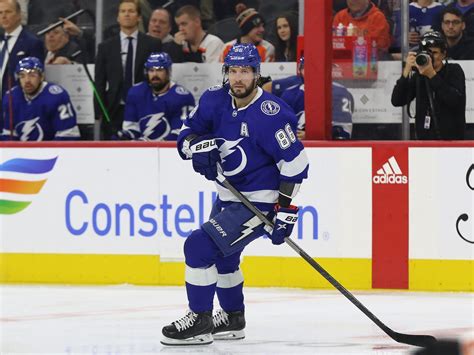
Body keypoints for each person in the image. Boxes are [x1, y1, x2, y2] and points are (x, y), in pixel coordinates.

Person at [161, 43, 309, 346]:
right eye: (233, 71)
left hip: (260, 201)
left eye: (245, 71)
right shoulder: (214, 100)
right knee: (224, 259)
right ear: (225, 72)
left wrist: (284, 209)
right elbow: (186, 135)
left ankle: (199, 320)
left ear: (257, 74)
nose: (238, 78)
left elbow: (296, 165)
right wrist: (197, 149)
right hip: (229, 196)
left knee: (198, 247)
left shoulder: (273, 114)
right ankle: (231, 318)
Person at [95, 0, 162, 140]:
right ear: (118, 17)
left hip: (144, 106)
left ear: (138, 17)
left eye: (131, 11)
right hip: (114, 109)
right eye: (123, 11)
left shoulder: (152, 44)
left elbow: (159, 76)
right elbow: (99, 81)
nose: (126, 14)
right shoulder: (105, 47)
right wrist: (98, 111)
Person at [391, 31, 466, 140]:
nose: (430, 57)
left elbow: (454, 100)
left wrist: (432, 75)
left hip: (451, 141)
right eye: (426, 52)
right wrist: (405, 73)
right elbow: (397, 101)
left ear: (443, 54)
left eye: (434, 53)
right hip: (423, 141)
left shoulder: (454, 70)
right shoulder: (419, 76)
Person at [116, 52, 195, 141]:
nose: (155, 74)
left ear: (168, 71)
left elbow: (180, 132)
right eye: (151, 70)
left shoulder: (182, 97)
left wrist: (152, 145)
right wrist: (125, 136)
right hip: (142, 150)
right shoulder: (136, 93)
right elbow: (132, 128)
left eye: (159, 70)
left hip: (170, 151)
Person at [0, 56, 80, 141]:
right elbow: (9, 135)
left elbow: (68, 135)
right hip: (22, 153)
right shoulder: (11, 97)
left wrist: (48, 152)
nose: (27, 80)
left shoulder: (56, 95)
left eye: (32, 75)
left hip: (52, 152)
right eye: (22, 76)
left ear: (41, 77)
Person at [277, 57, 354, 140]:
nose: (311, 71)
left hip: (329, 148)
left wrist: (310, 135)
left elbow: (342, 133)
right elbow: (279, 126)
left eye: (315, 67)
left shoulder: (339, 92)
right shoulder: (289, 94)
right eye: (305, 68)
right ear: (300, 71)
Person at [0, 0, 44, 100]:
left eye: (8, 12)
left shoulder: (32, 43)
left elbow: (36, 78)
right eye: (0, 13)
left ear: (19, 15)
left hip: (18, 103)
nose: (3, 16)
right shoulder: (2, 41)